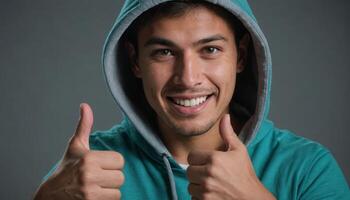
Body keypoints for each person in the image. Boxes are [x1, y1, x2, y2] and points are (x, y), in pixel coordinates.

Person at [33, 0, 350, 199]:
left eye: (210, 50)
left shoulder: (307, 168)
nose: (187, 77)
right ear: (134, 62)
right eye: (164, 52)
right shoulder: (89, 170)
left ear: (240, 56)